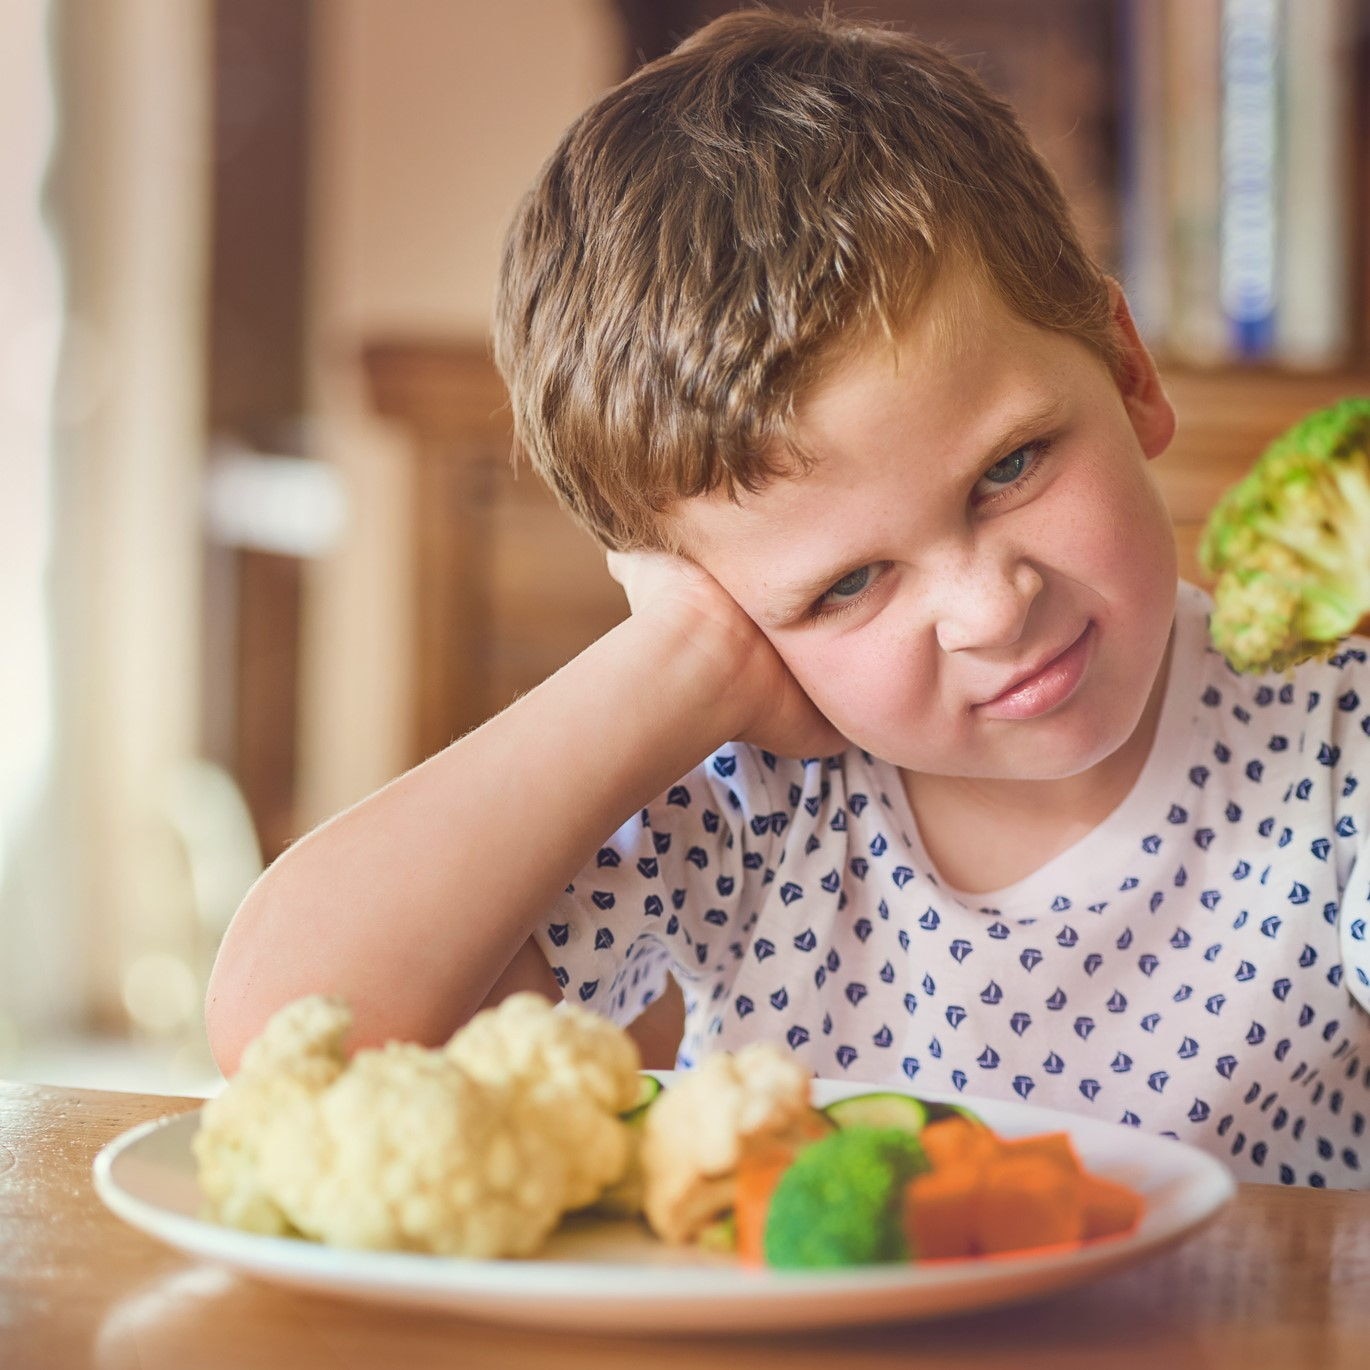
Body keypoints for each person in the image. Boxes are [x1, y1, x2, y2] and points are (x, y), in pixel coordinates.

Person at [206, 8, 1370, 1187]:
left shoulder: (1334, 744)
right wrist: (673, 668)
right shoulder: (747, 800)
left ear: (1124, 370)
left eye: (1009, 467)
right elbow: (291, 1041)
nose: (987, 607)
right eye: (847, 584)